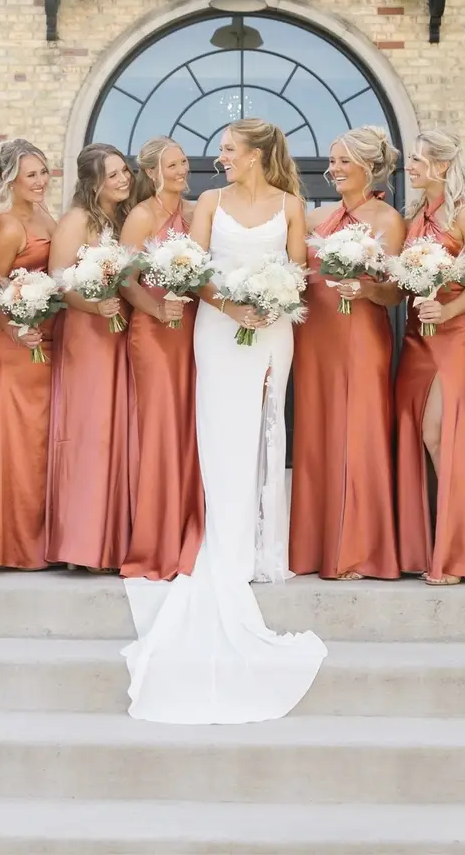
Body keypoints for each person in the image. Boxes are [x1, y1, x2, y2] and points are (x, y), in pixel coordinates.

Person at [123, 118, 326, 724]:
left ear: (258, 154)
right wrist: (231, 303)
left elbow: (298, 272)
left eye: (229, 150)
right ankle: (224, 543)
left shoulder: (292, 204)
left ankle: (265, 546)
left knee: (267, 430)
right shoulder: (208, 202)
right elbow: (195, 266)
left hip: (273, 331)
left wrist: (272, 303)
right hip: (217, 329)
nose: (220, 159)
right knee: (221, 432)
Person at [290, 125, 404, 581]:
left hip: (361, 337)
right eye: (331, 160)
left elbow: (396, 292)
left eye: (341, 161)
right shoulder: (316, 220)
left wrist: (368, 288)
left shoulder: (388, 221)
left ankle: (358, 549)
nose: (331, 169)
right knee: (317, 435)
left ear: (368, 167)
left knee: (359, 433)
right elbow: (294, 273)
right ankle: (317, 548)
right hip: (315, 338)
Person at [395, 129, 465, 584]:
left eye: (418, 160)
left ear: (441, 166)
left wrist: (448, 309)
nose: (411, 167)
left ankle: (459, 553)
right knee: (423, 434)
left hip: (457, 333)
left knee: (444, 434)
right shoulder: (415, 215)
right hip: (418, 333)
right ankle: (440, 542)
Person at [0, 139, 56, 570]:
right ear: (11, 180)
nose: (41, 181)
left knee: (38, 445)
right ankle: (7, 546)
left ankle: (37, 541)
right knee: (14, 444)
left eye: (43, 172)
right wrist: (19, 328)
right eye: (32, 174)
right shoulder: (7, 225)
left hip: (43, 339)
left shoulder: (44, 215)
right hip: (14, 344)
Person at [46, 143, 136, 572]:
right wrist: (94, 305)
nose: (123, 179)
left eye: (125, 171)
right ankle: (83, 546)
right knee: (90, 433)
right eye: (113, 174)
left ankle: (114, 541)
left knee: (118, 432)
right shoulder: (77, 221)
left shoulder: (124, 218)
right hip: (87, 334)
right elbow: (60, 283)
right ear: (92, 181)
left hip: (120, 330)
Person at [120, 138, 204, 582]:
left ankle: (193, 528)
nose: (181, 170)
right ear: (153, 172)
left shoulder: (196, 213)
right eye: (173, 164)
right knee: (161, 427)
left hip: (194, 330)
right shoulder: (141, 217)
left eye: (184, 162)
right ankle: (156, 540)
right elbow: (127, 280)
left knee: (193, 425)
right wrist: (155, 310)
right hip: (153, 332)